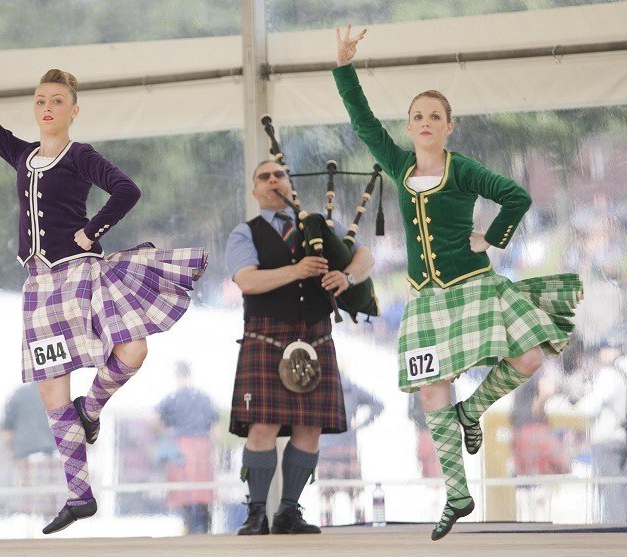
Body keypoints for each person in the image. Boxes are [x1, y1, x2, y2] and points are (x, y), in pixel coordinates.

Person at [0, 19, 208, 535]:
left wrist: (91, 230)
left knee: (134, 349)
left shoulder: (80, 156)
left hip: (80, 276)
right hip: (38, 286)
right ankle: (80, 495)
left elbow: (127, 190)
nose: (46, 108)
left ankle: (92, 407)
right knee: (50, 393)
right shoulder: (20, 155)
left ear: (73, 110)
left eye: (56, 100)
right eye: (39, 100)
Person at [332, 25, 582, 540]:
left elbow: (515, 196)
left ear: (450, 126)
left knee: (530, 356)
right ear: (409, 126)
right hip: (425, 300)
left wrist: (490, 238)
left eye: (434, 116)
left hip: (473, 287)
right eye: (418, 116)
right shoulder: (398, 164)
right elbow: (361, 123)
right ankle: (458, 494)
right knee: (429, 395)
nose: (425, 123)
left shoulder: (462, 169)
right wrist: (343, 65)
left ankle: (474, 409)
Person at [225, 160, 375, 535]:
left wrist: (347, 275)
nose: (273, 181)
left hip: (316, 334)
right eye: (264, 177)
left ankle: (288, 512)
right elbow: (247, 281)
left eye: (279, 175)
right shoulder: (245, 233)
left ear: (292, 186)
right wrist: (298, 270)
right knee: (263, 426)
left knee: (310, 426)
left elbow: (365, 255)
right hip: (267, 335)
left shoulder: (318, 225)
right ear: (255, 190)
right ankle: (257, 512)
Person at [156, 362, 220, 534]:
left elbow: (155, 419)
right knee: (203, 494)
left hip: (181, 447)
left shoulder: (173, 398)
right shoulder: (203, 397)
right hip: (202, 447)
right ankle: (203, 531)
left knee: (184, 493)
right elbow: (216, 428)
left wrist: (165, 438)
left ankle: (190, 530)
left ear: (177, 375)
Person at [571, 342, 627, 523]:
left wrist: (575, 404)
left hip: (608, 439)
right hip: (622, 437)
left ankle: (617, 537)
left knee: (612, 494)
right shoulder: (624, 370)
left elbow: (590, 408)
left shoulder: (609, 374)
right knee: (622, 491)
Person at [318, 374, 383, 525]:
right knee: (337, 491)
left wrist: (362, 423)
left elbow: (378, 405)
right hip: (336, 444)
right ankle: (335, 522)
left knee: (347, 491)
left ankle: (344, 522)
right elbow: (378, 405)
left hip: (336, 445)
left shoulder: (341, 387)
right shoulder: (349, 388)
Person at [1, 383, 60, 517]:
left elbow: (6, 429)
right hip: (49, 453)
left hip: (24, 455)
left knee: (25, 500)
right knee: (51, 499)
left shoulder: (17, 395)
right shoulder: (54, 392)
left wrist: (11, 451)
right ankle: (50, 526)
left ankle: (28, 528)